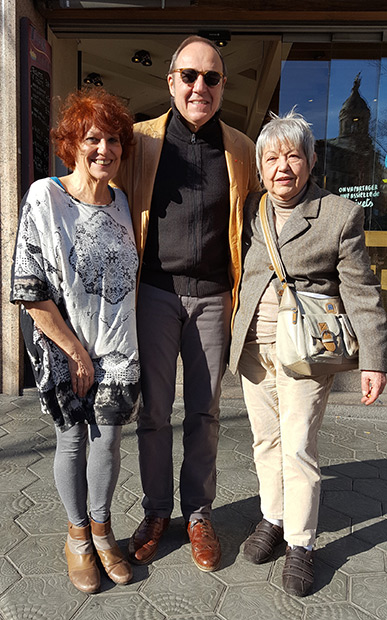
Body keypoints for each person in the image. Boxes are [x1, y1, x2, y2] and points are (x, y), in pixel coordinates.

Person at [114, 35, 259, 572]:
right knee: (153, 413)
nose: (201, 86)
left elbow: (259, 222)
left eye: (212, 78)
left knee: (204, 412)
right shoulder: (138, 142)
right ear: (171, 80)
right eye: (190, 76)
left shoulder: (241, 149)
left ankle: (198, 514)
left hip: (214, 298)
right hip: (153, 293)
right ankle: (156, 513)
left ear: (222, 86)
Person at [229, 110, 387, 596]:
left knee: (297, 447)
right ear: (260, 166)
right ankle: (272, 519)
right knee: (265, 442)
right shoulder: (250, 211)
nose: (283, 166)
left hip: (306, 352)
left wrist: (375, 359)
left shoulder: (338, 214)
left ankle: (301, 543)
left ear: (311, 160)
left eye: (293, 155)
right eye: (272, 157)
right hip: (255, 348)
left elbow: (362, 290)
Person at [10, 88, 141, 594]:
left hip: (118, 346)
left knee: (109, 439)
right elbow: (28, 289)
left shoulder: (124, 202)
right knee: (72, 437)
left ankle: (104, 531)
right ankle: (77, 537)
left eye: (113, 140)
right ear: (72, 143)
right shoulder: (47, 196)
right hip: (63, 343)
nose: (104, 149)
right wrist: (76, 353)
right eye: (92, 138)